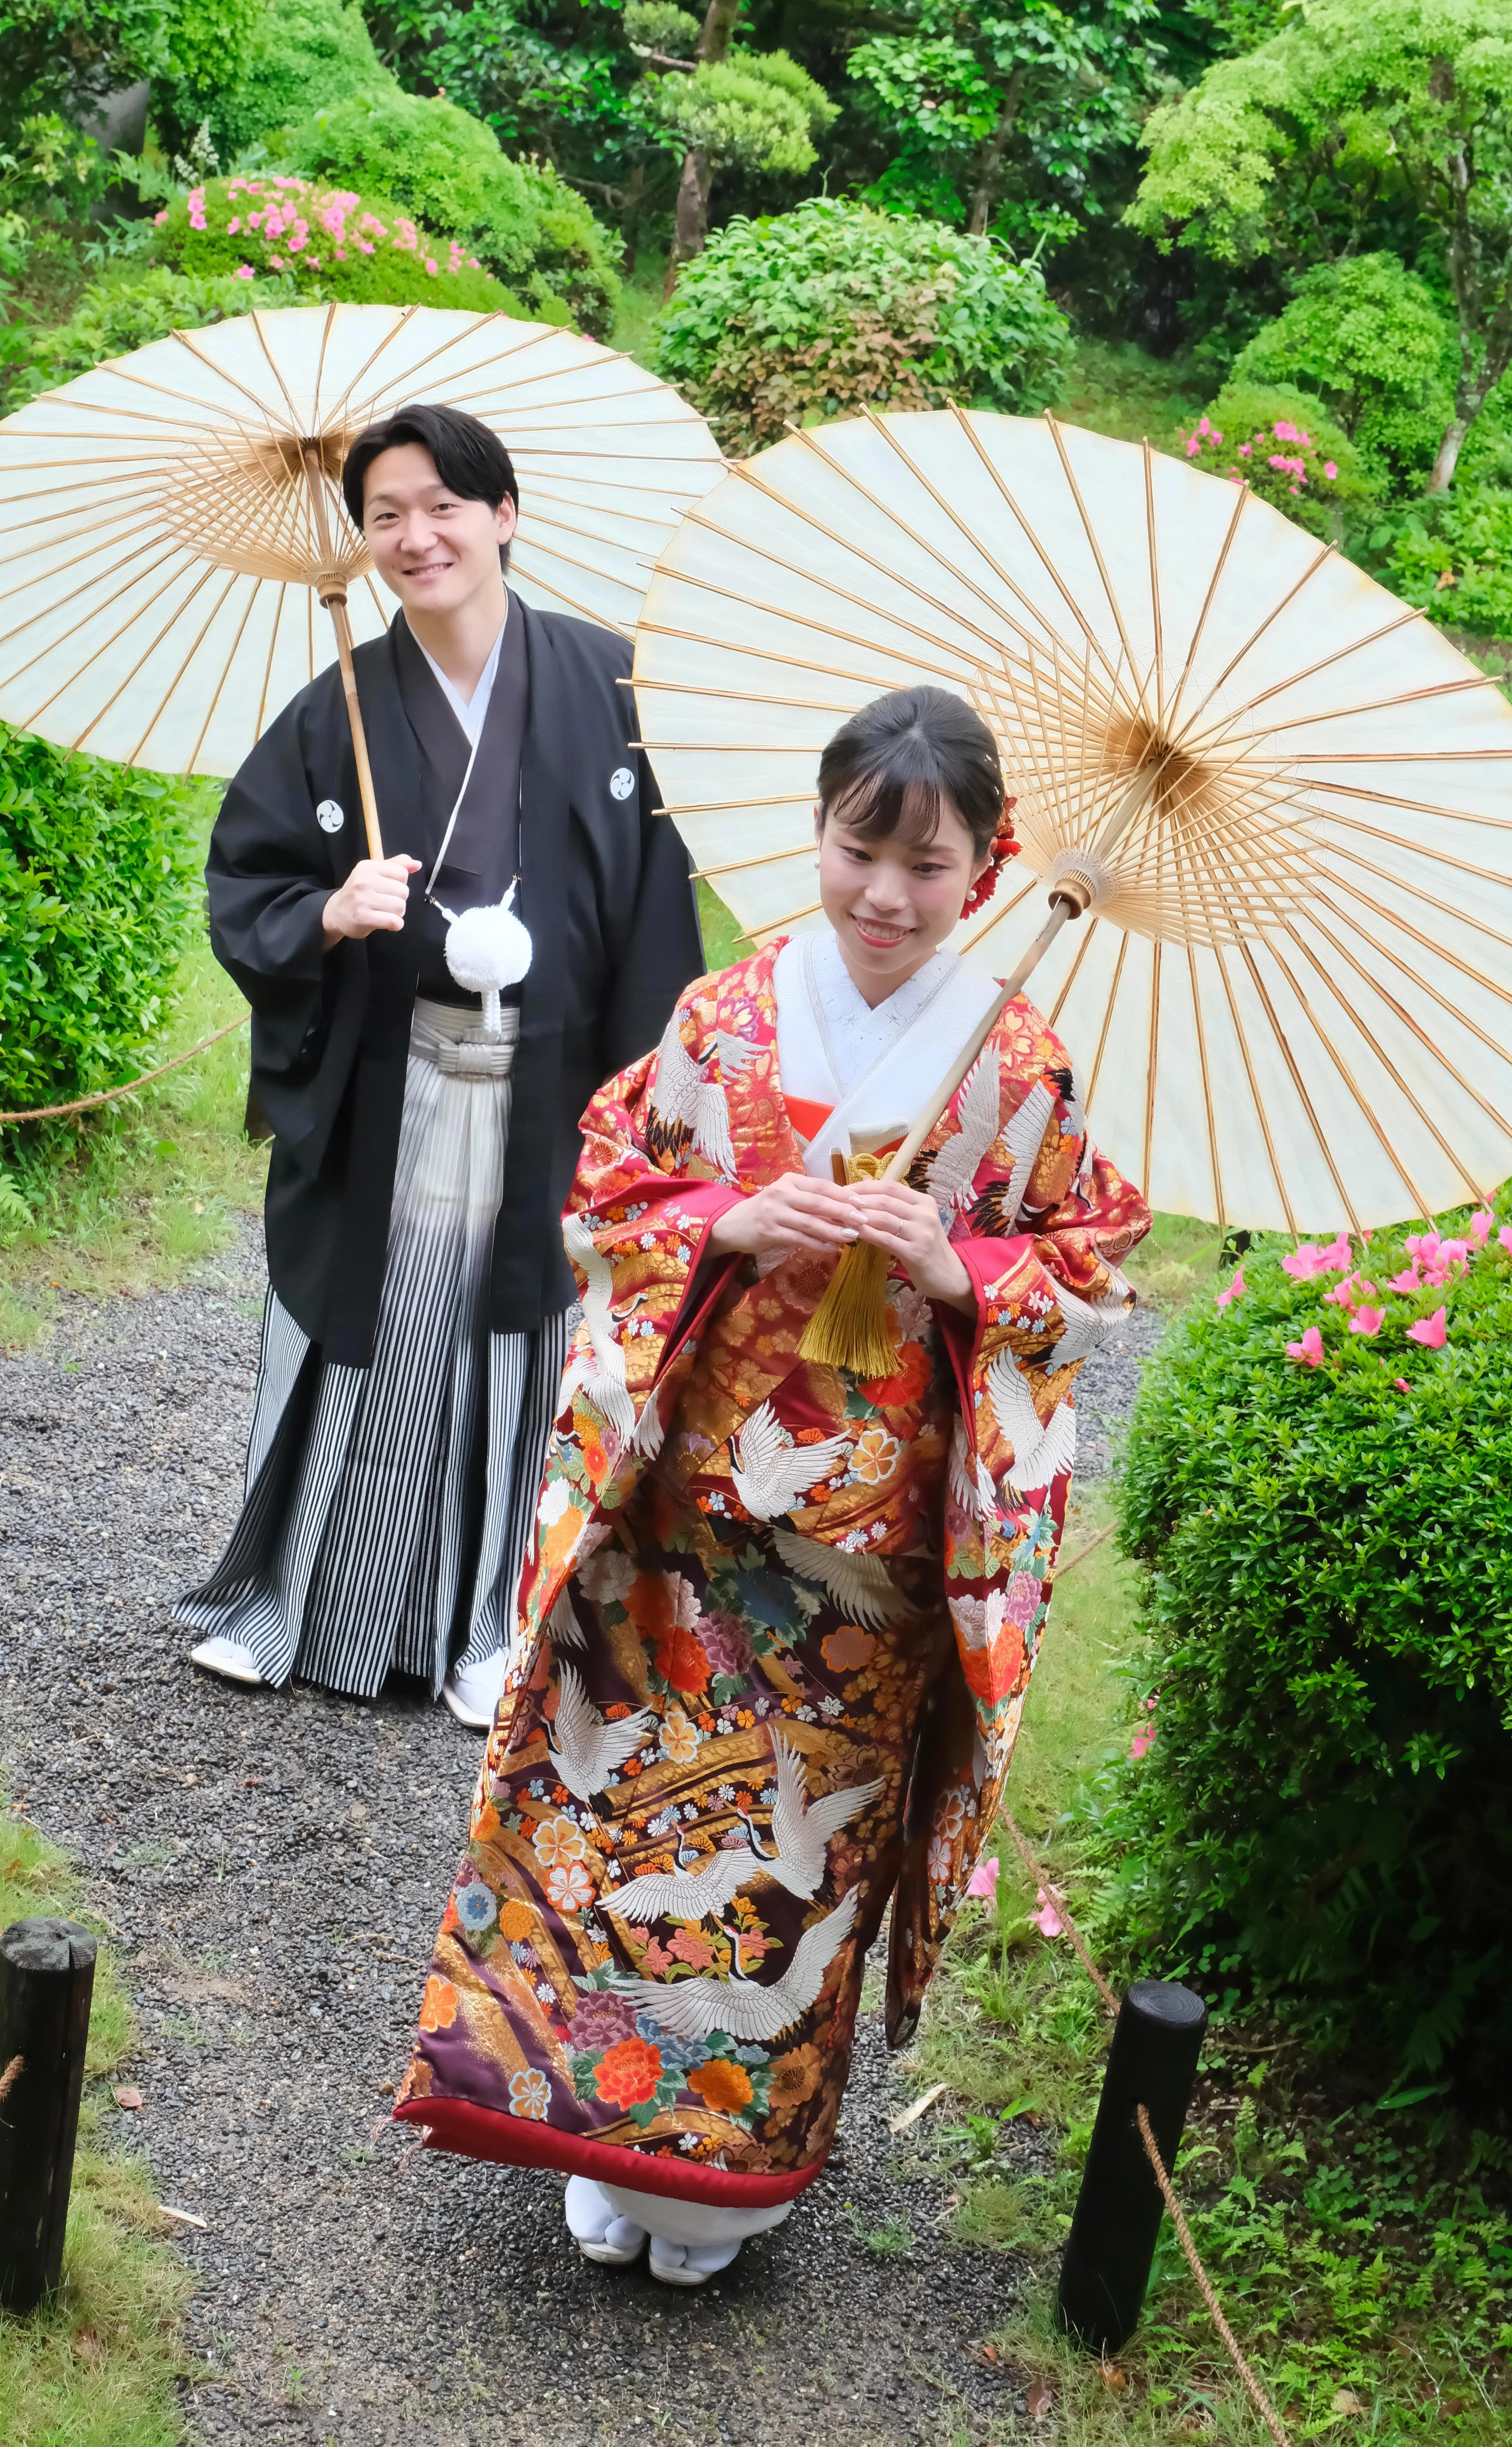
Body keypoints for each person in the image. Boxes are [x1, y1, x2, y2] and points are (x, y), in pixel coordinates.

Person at [393, 684, 1150, 2282]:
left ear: (986, 869)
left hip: (865, 1569)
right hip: (673, 1524)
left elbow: (1094, 1270)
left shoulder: (1021, 1065)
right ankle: (590, 2140)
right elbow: (614, 1186)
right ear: (815, 834)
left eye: (928, 868)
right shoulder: (724, 1017)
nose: (885, 896)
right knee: (612, 1828)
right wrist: (724, 1227)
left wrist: (964, 1263)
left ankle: (730, 2182)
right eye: (859, 850)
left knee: (785, 1884)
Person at [175, 403, 704, 1726]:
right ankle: (298, 1603)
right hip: (394, 1085)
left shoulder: (610, 685)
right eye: (386, 517)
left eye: (442, 506)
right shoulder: (338, 706)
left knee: (515, 1344)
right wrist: (326, 914)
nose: (417, 538)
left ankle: (491, 1627)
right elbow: (249, 878)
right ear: (363, 543)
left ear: (504, 515)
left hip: (552, 1082)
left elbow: (654, 913)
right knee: (382, 1328)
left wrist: (646, 1110)